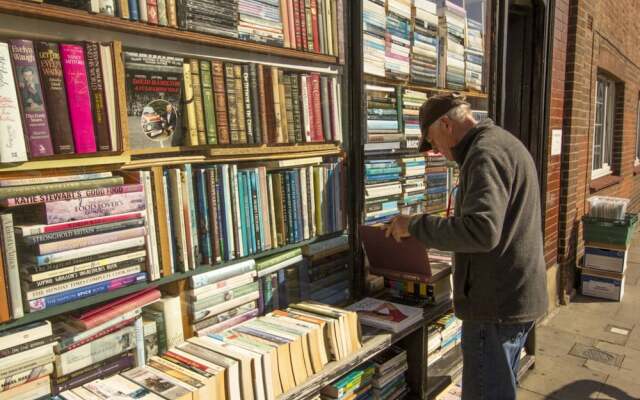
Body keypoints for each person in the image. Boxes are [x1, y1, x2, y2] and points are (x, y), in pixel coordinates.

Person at [384, 93, 548, 400]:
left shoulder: (484, 154)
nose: (436, 151)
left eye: (432, 141)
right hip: (513, 298)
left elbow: (482, 231)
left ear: (446, 124)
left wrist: (415, 225)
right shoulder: (500, 143)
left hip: (495, 306)